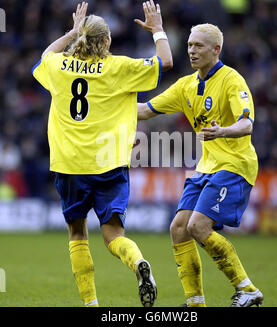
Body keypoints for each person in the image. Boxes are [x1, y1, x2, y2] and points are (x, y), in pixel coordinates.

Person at [32, 1, 172, 307]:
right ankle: (137, 263)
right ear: (107, 41)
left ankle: (91, 304)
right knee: (113, 236)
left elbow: (44, 56)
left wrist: (70, 32)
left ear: (81, 37)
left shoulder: (59, 67)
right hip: (109, 164)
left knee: (77, 235)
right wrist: (158, 29)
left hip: (69, 165)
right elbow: (166, 61)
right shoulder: (120, 68)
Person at [138, 23, 263, 307]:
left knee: (198, 226)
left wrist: (223, 131)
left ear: (215, 50)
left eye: (198, 46)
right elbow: (144, 110)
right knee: (178, 228)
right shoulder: (186, 86)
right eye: (190, 45)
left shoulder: (232, 80)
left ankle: (248, 289)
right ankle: (195, 303)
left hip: (234, 164)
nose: (191, 51)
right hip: (206, 167)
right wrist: (103, 108)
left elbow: (247, 124)